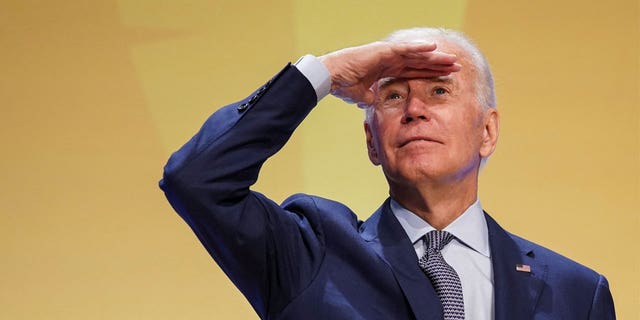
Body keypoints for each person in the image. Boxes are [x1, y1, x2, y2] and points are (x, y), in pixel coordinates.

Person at [159, 27, 615, 319]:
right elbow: (197, 179)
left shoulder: (576, 294)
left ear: (487, 131)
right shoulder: (312, 253)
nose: (415, 109)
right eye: (394, 97)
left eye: (439, 90)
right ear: (372, 142)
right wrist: (326, 73)